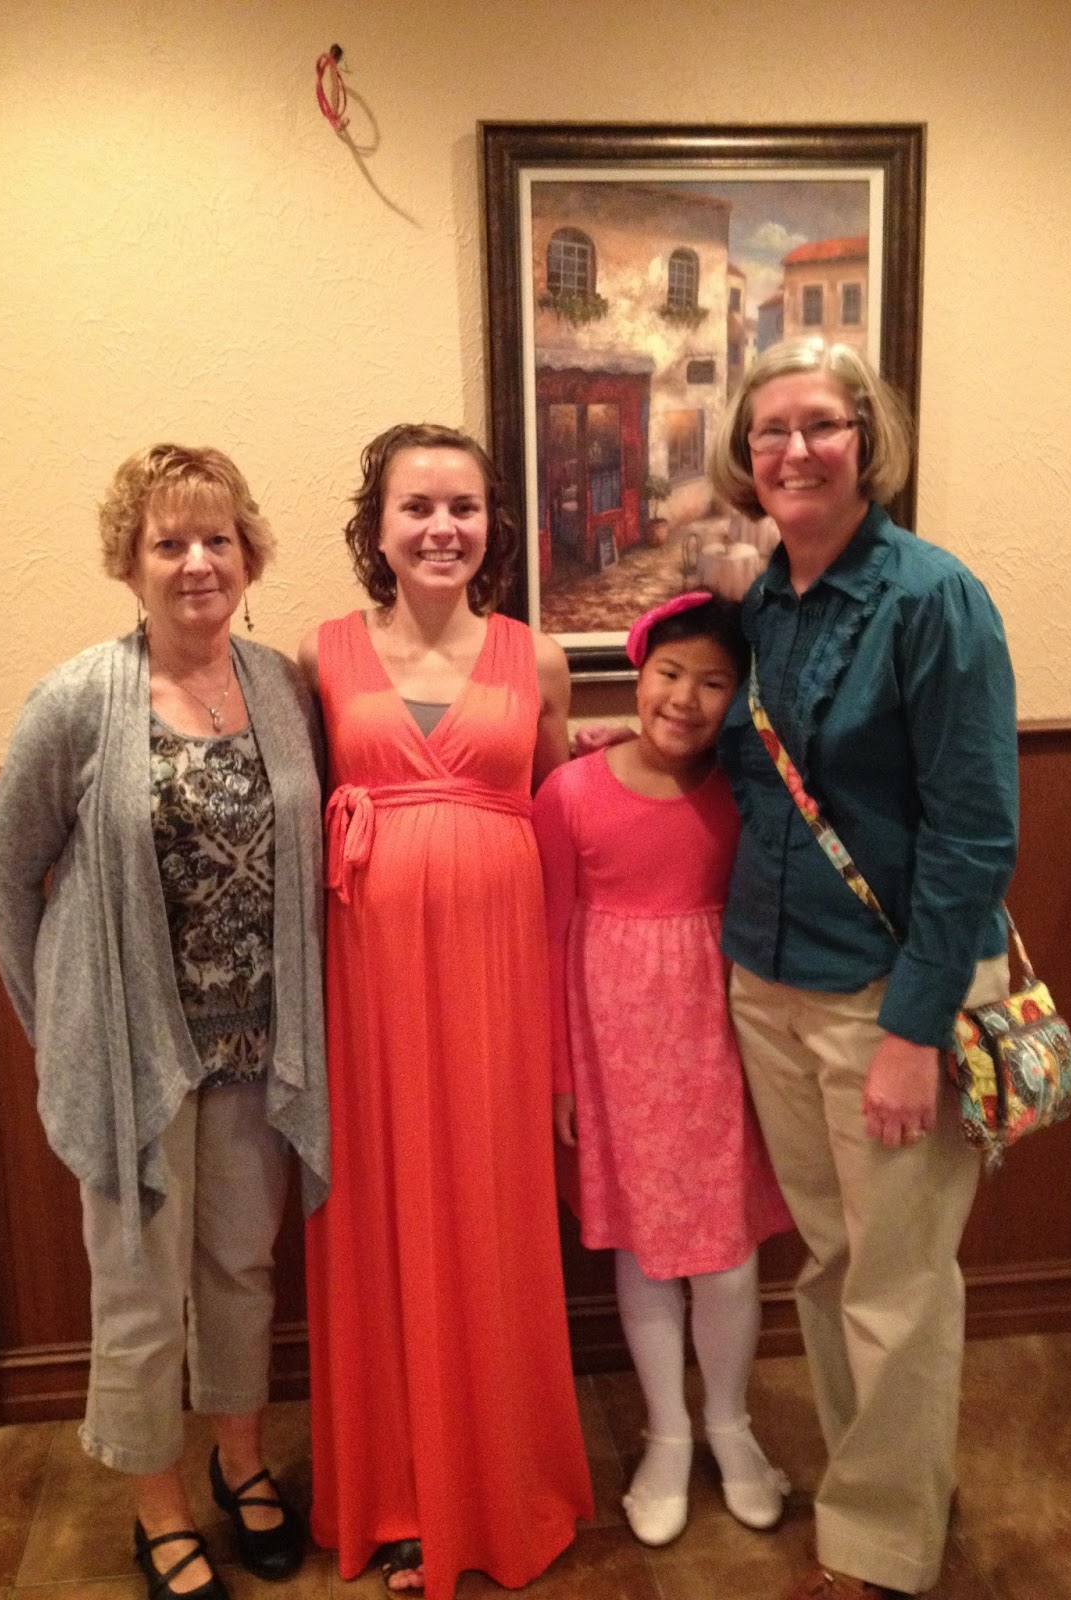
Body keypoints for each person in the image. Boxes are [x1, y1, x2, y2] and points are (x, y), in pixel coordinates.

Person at [0, 445, 328, 1600]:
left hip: (258, 1045)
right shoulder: (80, 697)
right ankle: (158, 1504)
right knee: (138, 1289)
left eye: (217, 538)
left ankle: (241, 1460)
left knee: (240, 1268)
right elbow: (5, 868)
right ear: (130, 563)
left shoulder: (279, 686)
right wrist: (57, 1025)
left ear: (249, 554)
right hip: (136, 1055)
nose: (196, 562)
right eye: (168, 542)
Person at [708, 339, 1019, 1600]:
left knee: (896, 1282)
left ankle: (883, 1552)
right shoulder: (764, 603)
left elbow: (975, 834)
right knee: (836, 1264)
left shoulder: (935, 599)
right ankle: (882, 1485)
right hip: (772, 983)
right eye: (770, 431)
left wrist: (913, 1029)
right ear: (745, 458)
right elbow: (759, 777)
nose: (795, 449)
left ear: (866, 440)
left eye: (822, 425)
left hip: (887, 999)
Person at [300, 423, 592, 1597]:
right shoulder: (320, 657)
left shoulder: (539, 659)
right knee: (380, 1214)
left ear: (492, 524)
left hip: (497, 988)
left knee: (488, 1213)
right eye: (415, 507)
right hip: (367, 989)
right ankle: (399, 1487)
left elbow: (565, 814)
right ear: (376, 528)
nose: (440, 528)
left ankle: (495, 1480)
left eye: (462, 507)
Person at [533, 591, 793, 1551]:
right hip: (616, 1053)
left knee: (726, 1256)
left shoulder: (748, 788)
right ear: (638, 674)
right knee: (644, 1253)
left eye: (714, 682)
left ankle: (730, 1422)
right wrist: (560, 1075)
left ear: (740, 696)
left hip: (724, 1044)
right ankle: (668, 1434)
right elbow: (547, 935)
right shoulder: (569, 793)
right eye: (670, 674)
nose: (684, 699)